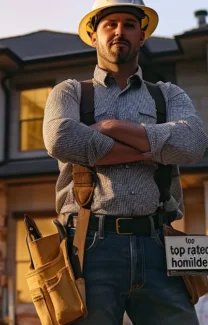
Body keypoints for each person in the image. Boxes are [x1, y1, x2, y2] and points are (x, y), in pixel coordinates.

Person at [42, 0, 208, 324]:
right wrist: (156, 146)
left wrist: (108, 128)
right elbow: (60, 139)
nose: (120, 31)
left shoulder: (168, 95)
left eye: (129, 24)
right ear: (94, 36)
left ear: (142, 36)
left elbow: (193, 144)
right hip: (90, 247)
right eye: (110, 24)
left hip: (160, 242)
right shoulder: (69, 93)